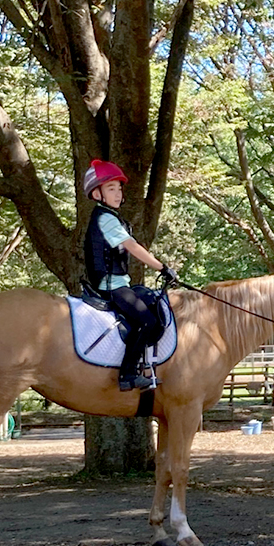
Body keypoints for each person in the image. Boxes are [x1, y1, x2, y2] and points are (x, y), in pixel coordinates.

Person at [83, 159, 178, 391]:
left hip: (119, 283)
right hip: (111, 286)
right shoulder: (105, 218)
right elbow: (133, 247)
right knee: (147, 321)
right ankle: (127, 375)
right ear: (97, 194)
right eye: (110, 189)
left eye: (119, 188)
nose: (117, 193)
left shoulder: (110, 216)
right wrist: (162, 268)